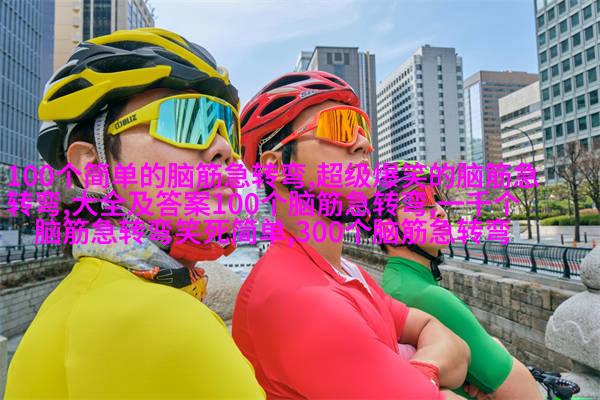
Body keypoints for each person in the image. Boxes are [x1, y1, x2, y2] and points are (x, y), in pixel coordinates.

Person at [5, 28, 264, 398]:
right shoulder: (163, 324)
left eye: (226, 127)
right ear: (93, 165)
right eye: (185, 121)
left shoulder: (81, 298)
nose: (223, 148)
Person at [233, 71, 471, 399]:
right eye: (340, 127)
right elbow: (448, 357)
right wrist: (432, 376)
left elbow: (453, 345)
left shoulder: (346, 272)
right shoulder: (294, 297)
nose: (364, 144)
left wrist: (417, 372)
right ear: (275, 166)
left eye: (362, 128)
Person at [374, 159, 542, 400]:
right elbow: (522, 389)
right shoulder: (425, 296)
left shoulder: (398, 282)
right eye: (420, 200)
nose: (440, 211)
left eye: (438, 200)